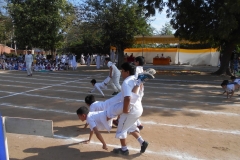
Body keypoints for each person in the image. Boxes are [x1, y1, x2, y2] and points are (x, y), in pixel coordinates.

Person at [112, 62, 149, 155]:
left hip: (131, 110)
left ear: (127, 72)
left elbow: (128, 97)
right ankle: (142, 142)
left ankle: (124, 150)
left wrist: (124, 110)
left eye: (122, 71)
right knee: (130, 127)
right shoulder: (135, 79)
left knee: (121, 129)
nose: (121, 73)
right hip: (138, 109)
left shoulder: (126, 82)